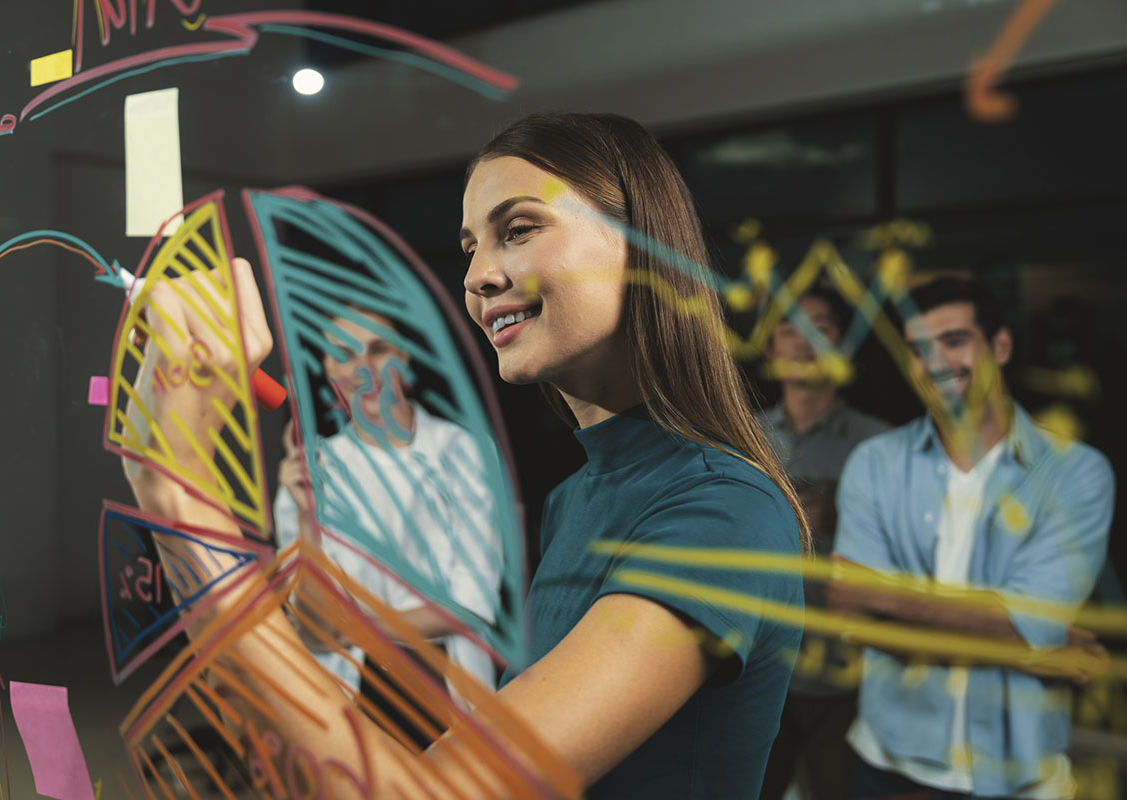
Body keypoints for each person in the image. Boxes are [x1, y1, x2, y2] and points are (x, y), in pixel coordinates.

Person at [123, 111, 808, 798]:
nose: (478, 275)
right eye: (470, 247)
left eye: (517, 230)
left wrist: (179, 498)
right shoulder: (579, 492)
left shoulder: (725, 512)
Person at [826, 277, 1114, 800]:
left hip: (1021, 775)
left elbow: (1029, 625)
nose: (935, 363)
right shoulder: (874, 462)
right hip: (888, 763)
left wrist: (881, 594)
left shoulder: (1078, 473)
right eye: (918, 349)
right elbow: (850, 616)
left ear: (999, 347)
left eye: (955, 341)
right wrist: (1040, 650)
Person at [272, 308, 500, 747]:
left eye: (378, 349)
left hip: (451, 696)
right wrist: (307, 520)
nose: (363, 370)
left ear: (406, 357)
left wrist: (355, 628)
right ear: (327, 370)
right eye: (344, 354)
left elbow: (470, 606)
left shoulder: (464, 451)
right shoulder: (310, 473)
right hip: (352, 707)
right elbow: (315, 634)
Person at [757, 288, 890, 800]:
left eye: (823, 327)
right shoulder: (742, 439)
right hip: (764, 671)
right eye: (791, 328)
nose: (806, 341)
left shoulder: (881, 445)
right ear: (769, 349)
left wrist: (843, 513)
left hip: (852, 679)